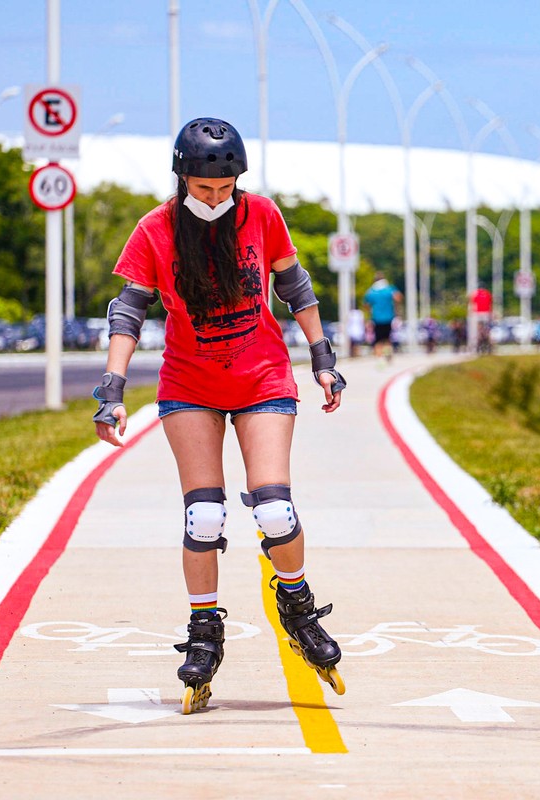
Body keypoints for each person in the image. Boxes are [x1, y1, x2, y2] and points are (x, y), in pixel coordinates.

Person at [91, 117, 347, 713]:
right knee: (204, 515)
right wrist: (112, 385)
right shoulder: (154, 228)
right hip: (189, 383)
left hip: (262, 376)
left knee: (275, 505)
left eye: (227, 186)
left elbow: (295, 285)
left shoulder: (261, 214)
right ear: (183, 177)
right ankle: (204, 630)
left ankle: (297, 605)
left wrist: (322, 354)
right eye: (205, 188)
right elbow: (128, 311)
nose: (217, 197)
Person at [363, 271, 401, 362]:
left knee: (378, 340)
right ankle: (388, 353)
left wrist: (371, 310)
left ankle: (379, 359)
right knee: (387, 338)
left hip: (376, 318)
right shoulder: (389, 289)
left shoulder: (371, 291)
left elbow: (366, 304)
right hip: (389, 317)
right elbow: (398, 297)